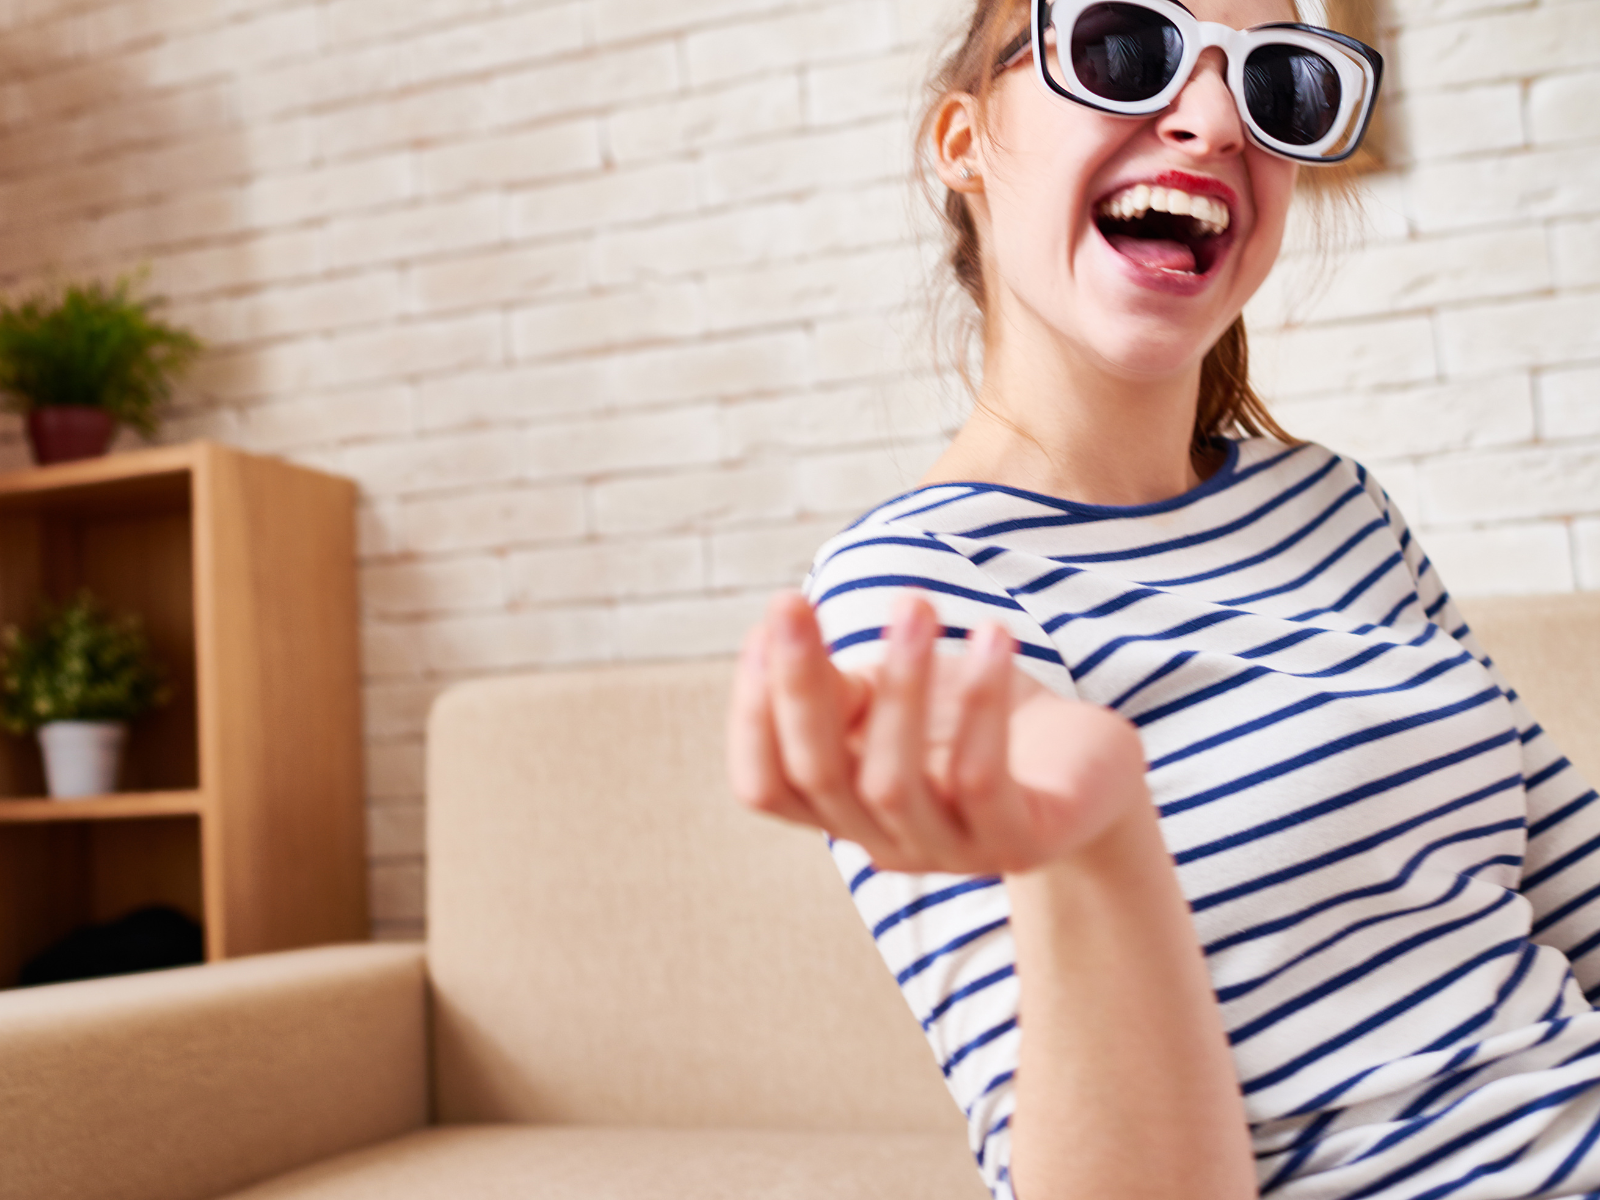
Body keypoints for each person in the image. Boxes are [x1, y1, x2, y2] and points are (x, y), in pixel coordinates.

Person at [725, 1, 1600, 1198]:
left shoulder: (1334, 503)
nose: (1213, 120)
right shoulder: (915, 595)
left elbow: (1575, 889)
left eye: (1276, 84)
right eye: (1125, 47)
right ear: (964, 142)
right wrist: (1095, 841)